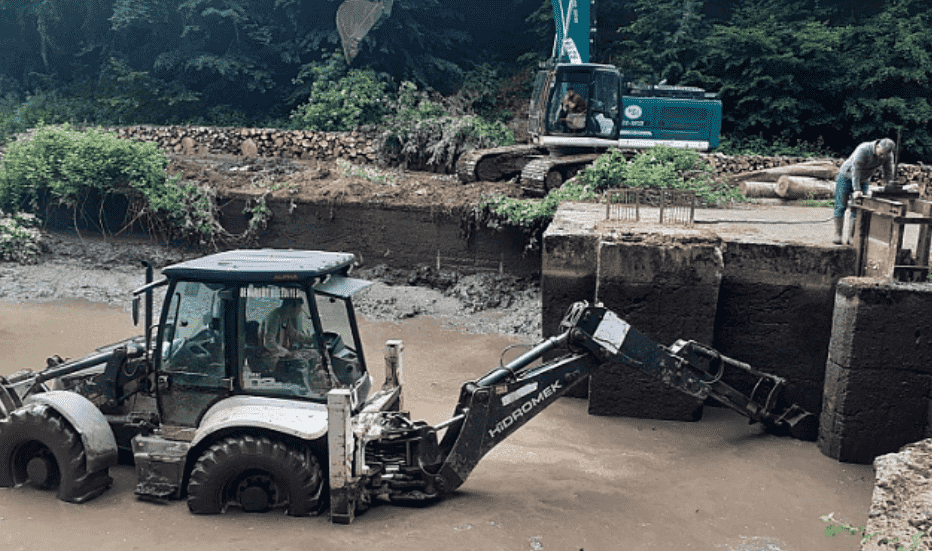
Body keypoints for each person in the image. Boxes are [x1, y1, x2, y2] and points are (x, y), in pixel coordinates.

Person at [833, 138, 896, 244]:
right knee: (841, 205)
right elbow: (856, 169)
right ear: (877, 146)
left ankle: (852, 237)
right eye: (881, 154)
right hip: (846, 176)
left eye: (885, 155)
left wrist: (890, 187)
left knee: (858, 208)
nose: (883, 157)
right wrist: (857, 189)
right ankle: (837, 235)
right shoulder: (863, 149)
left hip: (864, 179)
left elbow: (888, 172)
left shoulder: (888, 155)